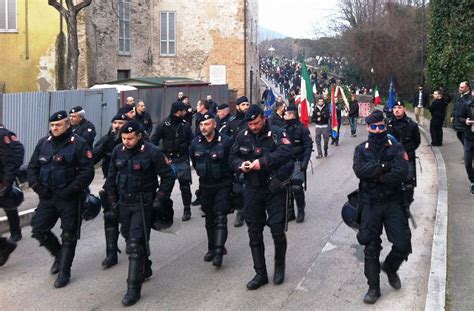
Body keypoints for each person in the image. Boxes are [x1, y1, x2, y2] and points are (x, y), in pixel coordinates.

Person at [105, 120, 175, 306]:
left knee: (135, 245)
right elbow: (111, 178)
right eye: (124, 138)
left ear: (138, 136)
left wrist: (159, 199)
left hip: (143, 204)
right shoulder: (117, 151)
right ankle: (145, 267)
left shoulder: (152, 151)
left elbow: (168, 176)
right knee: (129, 237)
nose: (126, 141)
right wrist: (113, 203)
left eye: (130, 138)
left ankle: (132, 289)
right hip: (123, 204)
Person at [229, 105, 294, 290]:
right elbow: (232, 158)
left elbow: (287, 152)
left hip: (273, 188)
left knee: (277, 230)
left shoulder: (276, 133)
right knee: (254, 232)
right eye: (250, 124)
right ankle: (260, 273)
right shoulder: (243, 135)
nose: (253, 127)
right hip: (252, 189)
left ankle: (279, 267)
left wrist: (264, 162)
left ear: (263, 118)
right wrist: (241, 165)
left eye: (256, 123)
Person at [27, 111, 95, 288]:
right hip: (48, 196)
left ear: (67, 125)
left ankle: (64, 271)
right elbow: (32, 167)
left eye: (58, 125)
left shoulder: (79, 144)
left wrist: (72, 189)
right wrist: (37, 186)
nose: (54, 128)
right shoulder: (44, 143)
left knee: (68, 235)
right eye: (52, 125)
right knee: (38, 229)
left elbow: (87, 171)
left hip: (69, 198)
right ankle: (58, 255)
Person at [353, 109, 410, 304]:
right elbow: (360, 170)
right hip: (370, 203)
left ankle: (391, 267)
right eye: (374, 127)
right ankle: (373, 288)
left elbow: (401, 172)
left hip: (393, 202)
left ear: (385, 127)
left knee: (403, 244)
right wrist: (385, 168)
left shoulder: (396, 147)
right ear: (368, 127)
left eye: (381, 127)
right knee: (371, 247)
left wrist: (376, 174)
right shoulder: (361, 149)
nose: (378, 131)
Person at [190, 113, 233, 267]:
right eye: (201, 125)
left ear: (214, 125)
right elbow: (195, 163)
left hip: (223, 184)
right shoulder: (196, 143)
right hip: (205, 186)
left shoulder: (225, 141)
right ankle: (211, 248)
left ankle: (220, 251)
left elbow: (232, 161)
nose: (203, 127)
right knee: (209, 219)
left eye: (207, 124)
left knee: (220, 217)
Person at [92, 112, 130, 269]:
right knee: (110, 217)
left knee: (130, 220)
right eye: (114, 122)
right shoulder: (107, 140)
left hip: (131, 185)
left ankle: (133, 245)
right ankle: (111, 253)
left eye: (120, 123)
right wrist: (103, 144)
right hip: (111, 184)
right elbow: (92, 158)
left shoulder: (137, 138)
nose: (117, 126)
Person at [151, 101, 194, 221]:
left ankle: (187, 209)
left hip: (182, 159)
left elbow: (192, 142)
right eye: (184, 111)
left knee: (185, 186)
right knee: (166, 188)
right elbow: (153, 141)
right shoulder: (164, 125)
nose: (186, 112)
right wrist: (161, 157)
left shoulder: (185, 125)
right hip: (168, 160)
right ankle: (163, 211)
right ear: (179, 111)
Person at [387, 100, 421, 205]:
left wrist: (407, 151)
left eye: (400, 107)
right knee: (391, 182)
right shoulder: (387, 124)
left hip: (408, 158)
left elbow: (417, 141)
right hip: (392, 158)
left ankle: (407, 205)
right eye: (395, 108)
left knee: (408, 184)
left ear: (404, 109)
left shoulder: (412, 125)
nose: (397, 110)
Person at [283, 107, 313, 222]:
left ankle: (300, 210)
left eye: (286, 114)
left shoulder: (302, 129)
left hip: (298, 161)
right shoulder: (283, 129)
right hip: (285, 162)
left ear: (292, 115)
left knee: (296, 186)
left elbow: (308, 146)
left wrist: (305, 162)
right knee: (286, 187)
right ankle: (290, 212)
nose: (284, 116)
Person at [228, 96, 250, 227]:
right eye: (243, 105)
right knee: (239, 188)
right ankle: (241, 212)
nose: (246, 107)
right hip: (239, 158)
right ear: (237, 107)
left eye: (247, 104)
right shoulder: (232, 123)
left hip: (253, 157)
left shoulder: (253, 120)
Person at [0, 125, 24, 242]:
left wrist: (8, 180)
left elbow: (11, 159)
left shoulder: (3, 135)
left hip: (3, 179)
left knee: (9, 207)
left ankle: (16, 232)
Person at [457, 92, 474, 194]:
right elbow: (459, 117)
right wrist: (466, 121)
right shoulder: (466, 104)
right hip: (469, 137)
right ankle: (472, 180)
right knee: (468, 163)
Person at [452, 81, 472, 146]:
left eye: (462, 87)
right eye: (459, 87)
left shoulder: (470, 97)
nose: (460, 88)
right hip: (458, 123)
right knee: (460, 137)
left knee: (467, 143)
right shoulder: (458, 95)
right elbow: (455, 106)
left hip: (465, 124)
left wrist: (466, 120)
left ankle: (468, 155)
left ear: (467, 88)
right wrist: (452, 115)